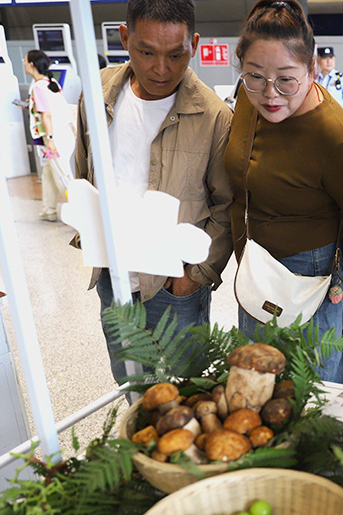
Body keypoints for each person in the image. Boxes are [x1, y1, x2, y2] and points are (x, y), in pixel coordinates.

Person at [73, 0, 234, 386]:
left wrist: (192, 276)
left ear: (193, 44)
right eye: (146, 52)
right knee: (130, 384)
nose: (161, 69)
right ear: (125, 38)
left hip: (173, 286)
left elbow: (228, 207)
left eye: (176, 55)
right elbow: (82, 169)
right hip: (112, 277)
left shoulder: (213, 116)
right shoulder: (98, 94)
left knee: (185, 396)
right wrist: (90, 237)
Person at [225, 0, 343, 384]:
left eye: (286, 79)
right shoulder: (248, 98)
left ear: (311, 70)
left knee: (314, 394)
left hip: (310, 273)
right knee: (258, 385)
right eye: (255, 76)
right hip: (257, 266)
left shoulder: (335, 136)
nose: (270, 94)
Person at [24, 50, 75, 223]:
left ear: (32, 65)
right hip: (65, 133)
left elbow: (46, 115)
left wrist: (50, 141)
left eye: (25, 61)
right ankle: (49, 209)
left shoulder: (38, 87)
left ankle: (81, 213)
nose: (24, 64)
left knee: (63, 176)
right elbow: (62, 110)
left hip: (55, 138)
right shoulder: (51, 84)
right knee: (48, 173)